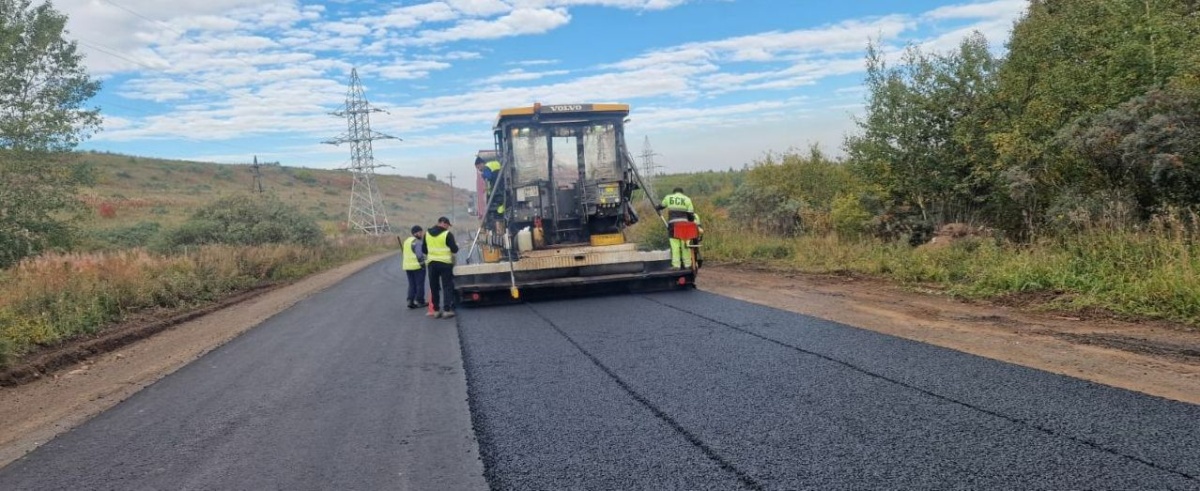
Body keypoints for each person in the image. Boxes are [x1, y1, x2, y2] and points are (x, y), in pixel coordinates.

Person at [421, 216, 460, 319]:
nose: (447, 227)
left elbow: (424, 250)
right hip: (445, 264)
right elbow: (455, 250)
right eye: (447, 225)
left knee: (434, 287)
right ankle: (447, 310)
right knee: (447, 286)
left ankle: (436, 310)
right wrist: (455, 246)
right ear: (443, 223)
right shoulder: (447, 234)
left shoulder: (427, 234)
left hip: (432, 264)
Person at [657, 187, 695, 269]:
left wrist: (657, 207)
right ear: (682, 192)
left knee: (675, 246)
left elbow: (661, 206)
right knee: (685, 245)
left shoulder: (668, 197)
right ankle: (687, 264)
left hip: (673, 225)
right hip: (684, 226)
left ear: (674, 192)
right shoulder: (687, 199)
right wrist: (690, 220)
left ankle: (676, 265)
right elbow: (691, 215)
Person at [402, 226, 427, 309]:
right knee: (419, 284)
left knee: (412, 284)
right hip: (417, 266)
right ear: (416, 233)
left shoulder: (407, 241)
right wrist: (423, 265)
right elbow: (419, 255)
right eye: (420, 232)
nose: (422, 234)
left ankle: (410, 300)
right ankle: (420, 301)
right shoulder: (417, 242)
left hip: (407, 266)